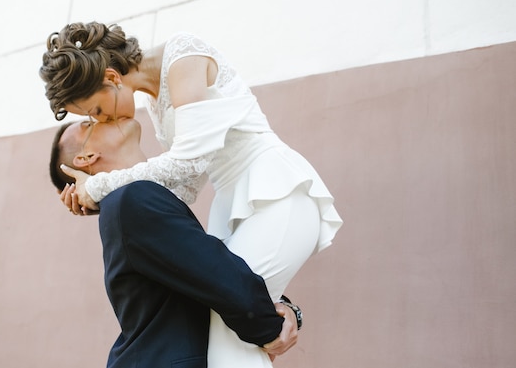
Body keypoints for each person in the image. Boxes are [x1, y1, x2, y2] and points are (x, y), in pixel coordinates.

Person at [40, 22, 343, 368]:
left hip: (272, 188)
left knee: (231, 333)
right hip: (232, 203)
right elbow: (184, 194)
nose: (104, 119)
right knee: (230, 326)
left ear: (111, 77)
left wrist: (98, 185)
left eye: (95, 111)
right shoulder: (157, 104)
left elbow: (187, 164)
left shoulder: (183, 57)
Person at [49, 118, 301, 367]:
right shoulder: (130, 200)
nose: (107, 116)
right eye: (90, 123)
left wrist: (282, 312)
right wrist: (272, 327)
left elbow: (211, 271)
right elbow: (217, 274)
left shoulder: (127, 203)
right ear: (87, 157)